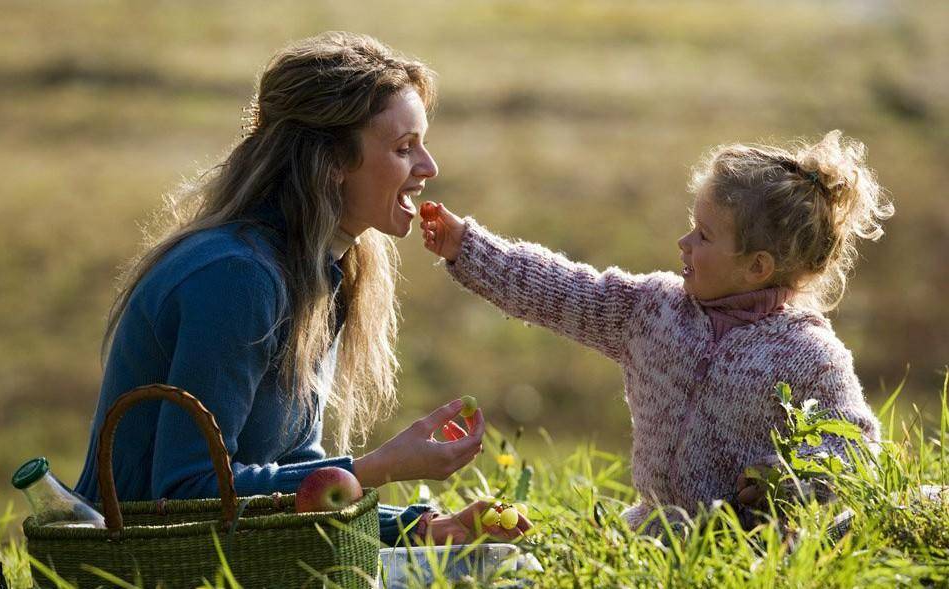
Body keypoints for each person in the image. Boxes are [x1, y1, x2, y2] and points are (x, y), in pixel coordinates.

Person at [73, 31, 528, 546]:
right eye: (404, 148)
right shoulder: (236, 280)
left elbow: (288, 478)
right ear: (332, 164)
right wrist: (377, 467)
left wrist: (420, 529)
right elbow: (186, 494)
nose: (429, 167)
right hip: (134, 563)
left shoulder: (322, 271)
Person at [420, 130, 892, 532]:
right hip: (652, 528)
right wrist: (468, 247)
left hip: (752, 546)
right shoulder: (654, 309)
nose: (684, 243)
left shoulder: (810, 354)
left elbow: (854, 445)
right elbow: (561, 291)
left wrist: (789, 477)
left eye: (704, 236)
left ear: (757, 266)